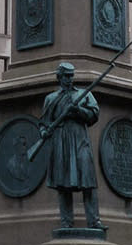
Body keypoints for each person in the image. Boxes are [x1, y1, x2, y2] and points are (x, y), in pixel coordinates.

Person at [38, 61, 103, 230]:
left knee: (88, 180)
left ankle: (94, 221)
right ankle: (66, 222)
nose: (69, 79)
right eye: (66, 76)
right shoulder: (51, 98)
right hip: (60, 140)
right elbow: (44, 122)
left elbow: (94, 114)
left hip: (80, 139)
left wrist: (78, 111)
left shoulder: (83, 94)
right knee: (63, 183)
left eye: (71, 76)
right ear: (59, 77)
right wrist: (44, 132)